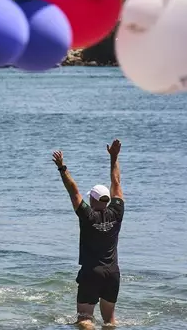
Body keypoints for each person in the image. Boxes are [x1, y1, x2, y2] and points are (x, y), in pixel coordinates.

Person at [52, 139, 124, 328]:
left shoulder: (88, 215)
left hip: (92, 273)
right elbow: (116, 182)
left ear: (92, 199)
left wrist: (62, 168)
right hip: (113, 273)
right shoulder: (117, 211)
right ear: (108, 199)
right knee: (109, 321)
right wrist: (114, 157)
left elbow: (73, 191)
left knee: (85, 318)